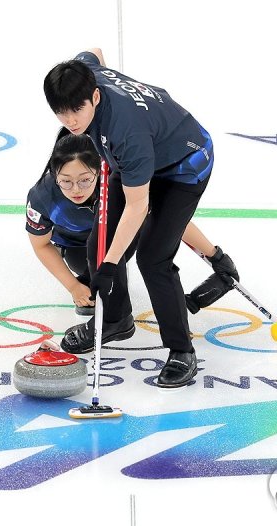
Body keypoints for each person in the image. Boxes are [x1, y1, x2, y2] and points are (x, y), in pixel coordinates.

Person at [43, 49, 236, 388]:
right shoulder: (84, 75)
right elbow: (95, 53)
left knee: (153, 257)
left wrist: (109, 266)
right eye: (61, 112)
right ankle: (116, 320)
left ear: (96, 96)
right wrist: (107, 260)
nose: (70, 121)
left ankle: (182, 350)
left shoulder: (125, 132)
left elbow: (136, 207)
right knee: (98, 241)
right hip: (139, 156)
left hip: (184, 166)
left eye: (77, 110)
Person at [26, 128, 240, 335]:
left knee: (142, 221)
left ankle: (115, 307)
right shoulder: (42, 197)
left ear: (99, 171)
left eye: (85, 180)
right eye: (66, 181)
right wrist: (73, 286)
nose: (75, 189)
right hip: (77, 248)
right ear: (54, 175)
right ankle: (95, 287)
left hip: (121, 239)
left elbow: (171, 221)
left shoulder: (119, 184)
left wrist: (216, 257)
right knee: (88, 265)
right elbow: (41, 244)